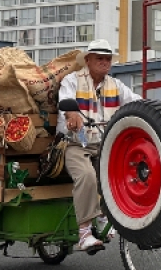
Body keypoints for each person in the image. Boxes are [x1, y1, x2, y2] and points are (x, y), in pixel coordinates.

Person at [57, 39, 140, 253]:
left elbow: (134, 100)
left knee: (121, 175)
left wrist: (153, 107)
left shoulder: (115, 85)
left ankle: (105, 216)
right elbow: (64, 100)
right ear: (88, 60)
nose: (104, 62)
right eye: (99, 58)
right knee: (86, 176)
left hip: (105, 145)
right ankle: (84, 232)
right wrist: (72, 114)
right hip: (75, 144)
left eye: (108, 59)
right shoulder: (72, 80)